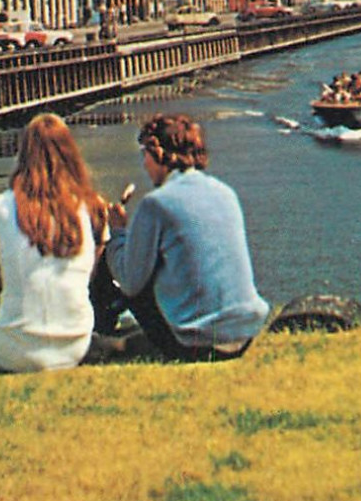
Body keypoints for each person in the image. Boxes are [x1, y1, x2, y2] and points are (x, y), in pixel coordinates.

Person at [104, 114, 269, 361]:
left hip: (196, 343)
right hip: (243, 334)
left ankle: (100, 335)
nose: (144, 164)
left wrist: (117, 232)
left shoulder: (156, 204)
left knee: (117, 264)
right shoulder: (225, 193)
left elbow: (130, 281)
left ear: (158, 154)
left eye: (144, 155)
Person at [0, 113, 109, 372]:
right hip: (75, 345)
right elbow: (89, 276)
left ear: (23, 155)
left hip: (12, 352)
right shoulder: (93, 207)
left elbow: (4, 279)